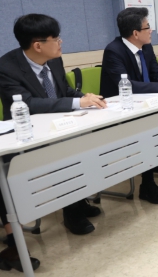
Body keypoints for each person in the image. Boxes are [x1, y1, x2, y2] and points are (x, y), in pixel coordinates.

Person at [0, 14, 106, 245]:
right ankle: (72, 212)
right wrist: (77, 102)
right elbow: (29, 104)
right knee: (63, 154)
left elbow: (65, 91)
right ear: (38, 45)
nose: (61, 42)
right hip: (28, 134)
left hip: (60, 126)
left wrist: (85, 98)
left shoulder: (54, 60)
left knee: (86, 145)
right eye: (56, 39)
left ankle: (78, 199)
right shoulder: (6, 67)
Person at [100, 7, 158, 204]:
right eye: (147, 27)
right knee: (147, 132)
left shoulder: (146, 47)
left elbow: (155, 73)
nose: (151, 30)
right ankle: (148, 185)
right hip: (118, 111)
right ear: (135, 33)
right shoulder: (113, 51)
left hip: (144, 104)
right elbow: (125, 84)